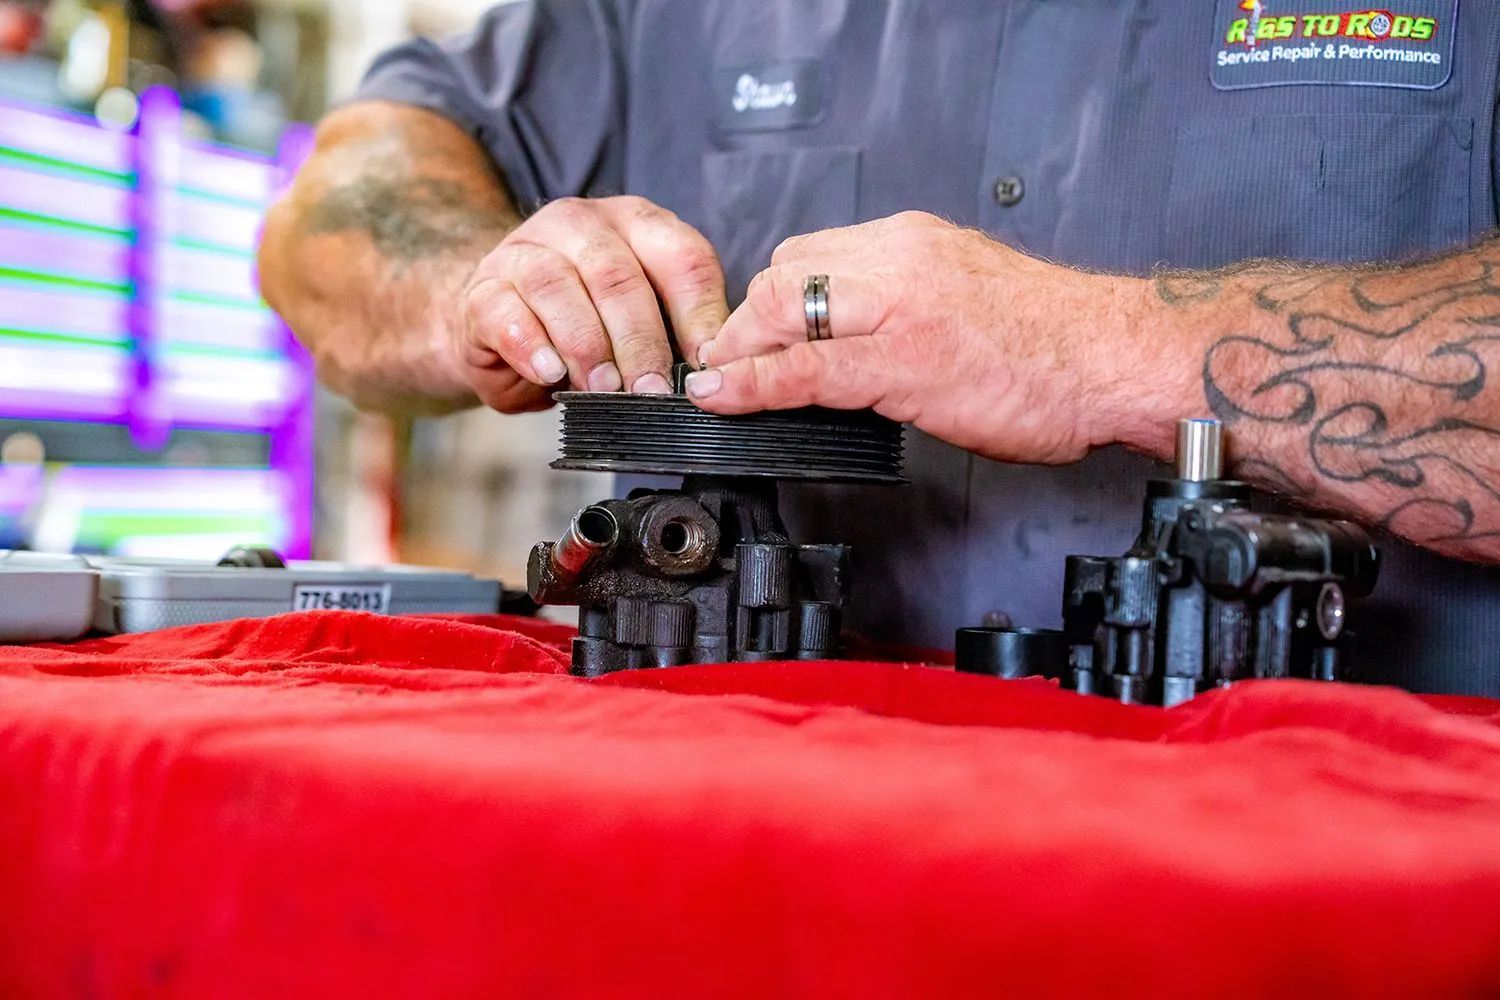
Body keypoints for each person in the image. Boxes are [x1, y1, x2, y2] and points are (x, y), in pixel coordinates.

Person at [259, 1, 1500, 695]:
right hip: (738, 843)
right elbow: (333, 220)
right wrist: (476, 281)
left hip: (1321, 858)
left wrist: (1108, 349)